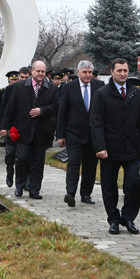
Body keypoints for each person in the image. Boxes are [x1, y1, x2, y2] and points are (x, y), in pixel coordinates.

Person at [91, 59, 140, 235]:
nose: (123, 73)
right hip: (109, 149)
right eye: (119, 70)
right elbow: (96, 122)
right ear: (112, 71)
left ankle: (128, 218)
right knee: (109, 186)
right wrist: (100, 146)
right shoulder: (102, 93)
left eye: (125, 70)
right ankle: (113, 219)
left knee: (133, 183)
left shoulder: (134, 93)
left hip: (131, 148)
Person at [0, 60, 59, 199]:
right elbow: (10, 108)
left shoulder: (51, 88)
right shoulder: (19, 86)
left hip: (41, 131)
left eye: (43, 71)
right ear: (32, 71)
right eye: (38, 71)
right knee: (22, 159)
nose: (40, 74)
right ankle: (19, 186)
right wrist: (4, 127)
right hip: (23, 130)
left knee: (38, 163)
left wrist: (42, 111)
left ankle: (34, 189)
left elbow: (56, 106)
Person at [57, 60, 104, 207]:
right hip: (74, 133)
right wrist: (61, 135)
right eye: (85, 72)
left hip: (93, 134)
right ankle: (70, 193)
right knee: (74, 163)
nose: (88, 75)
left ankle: (86, 194)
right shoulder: (69, 87)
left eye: (90, 72)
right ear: (78, 72)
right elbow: (62, 112)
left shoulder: (99, 86)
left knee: (90, 165)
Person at [0, 67, 30, 187]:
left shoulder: (31, 89)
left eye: (26, 78)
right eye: (21, 77)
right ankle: (9, 172)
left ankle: (25, 179)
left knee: (24, 156)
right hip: (11, 126)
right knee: (10, 153)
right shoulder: (10, 89)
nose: (23, 79)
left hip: (25, 127)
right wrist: (2, 127)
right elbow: (4, 109)